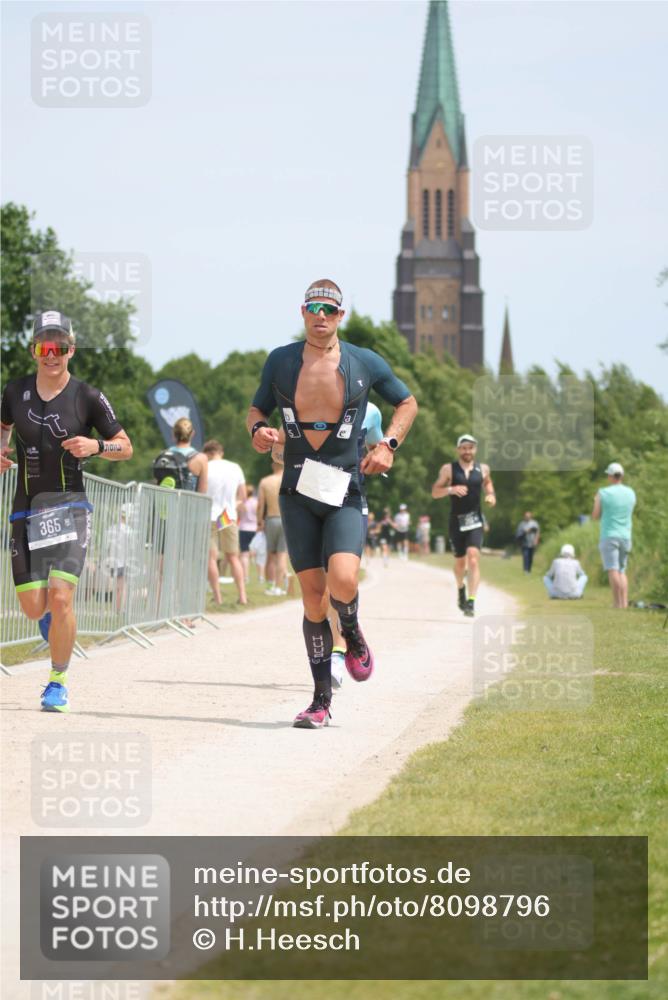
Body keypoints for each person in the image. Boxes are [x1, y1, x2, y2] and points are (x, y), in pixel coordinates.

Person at [247, 278, 418, 729]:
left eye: (329, 309)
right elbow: (255, 411)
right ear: (301, 312)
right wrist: (258, 432)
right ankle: (320, 701)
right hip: (297, 490)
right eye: (312, 308)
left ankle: (354, 629)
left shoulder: (364, 361)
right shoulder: (281, 361)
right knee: (312, 599)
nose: (320, 316)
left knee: (343, 580)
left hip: (345, 487)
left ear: (340, 315)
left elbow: (407, 402)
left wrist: (389, 445)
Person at [0, 310, 132, 712]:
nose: (51, 354)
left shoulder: (87, 396)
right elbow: (2, 427)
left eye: (59, 346)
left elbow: (125, 447)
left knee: (60, 599)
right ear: (34, 350)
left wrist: (97, 447)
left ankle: (57, 681)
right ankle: (54, 628)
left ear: (71, 350)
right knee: (34, 607)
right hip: (26, 512)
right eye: (44, 346)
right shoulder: (14, 391)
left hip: (71, 507)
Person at [431, 434, 496, 617]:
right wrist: (450, 489)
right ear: (459, 450)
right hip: (456, 521)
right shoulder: (448, 470)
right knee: (460, 563)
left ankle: (471, 601)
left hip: (475, 520)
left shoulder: (483, 469)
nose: (467, 451)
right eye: (464, 448)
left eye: (471, 448)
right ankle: (461, 588)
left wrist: (491, 495)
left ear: (475, 449)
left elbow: (488, 484)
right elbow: (435, 492)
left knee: (473, 558)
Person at [203, 439, 247, 606]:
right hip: (227, 515)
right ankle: (242, 596)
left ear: (207, 453)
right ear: (220, 452)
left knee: (211, 558)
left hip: (209, 514)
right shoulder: (235, 467)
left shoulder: (206, 466)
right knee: (233, 557)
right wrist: (232, 507)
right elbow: (243, 496)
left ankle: (218, 597)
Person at [592, 461, 637, 609]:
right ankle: (624, 603)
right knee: (622, 570)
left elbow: (595, 515)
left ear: (611, 476)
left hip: (609, 535)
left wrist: (596, 501)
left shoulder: (603, 492)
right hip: (626, 536)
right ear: (622, 476)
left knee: (612, 569)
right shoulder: (631, 492)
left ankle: (617, 603)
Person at [258, 460, 288, 596]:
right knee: (282, 555)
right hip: (286, 519)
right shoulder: (289, 480)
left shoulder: (265, 481)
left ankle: (270, 586)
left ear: (273, 465)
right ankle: (279, 587)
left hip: (271, 518)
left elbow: (260, 505)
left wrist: (259, 521)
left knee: (271, 555)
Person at [169, 418, 208, 494]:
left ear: (173, 434)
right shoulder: (201, 458)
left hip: (166, 504)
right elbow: (202, 491)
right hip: (188, 504)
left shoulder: (164, 455)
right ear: (192, 433)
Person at [238, 484, 258, 584]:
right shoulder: (256, 502)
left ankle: (245, 577)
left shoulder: (242, 503)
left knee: (244, 554)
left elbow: (238, 516)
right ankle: (261, 576)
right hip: (254, 529)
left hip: (243, 528)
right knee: (256, 553)